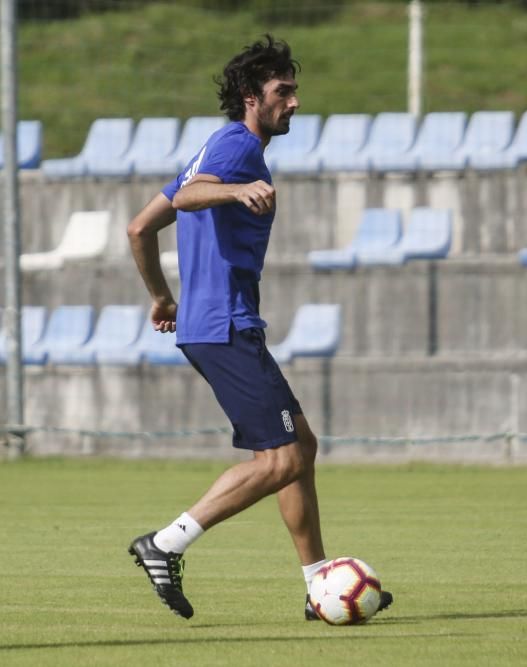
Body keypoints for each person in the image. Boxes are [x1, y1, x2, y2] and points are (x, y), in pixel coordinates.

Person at [124, 35, 390, 621]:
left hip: (215, 324)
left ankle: (319, 579)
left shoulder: (216, 149)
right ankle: (165, 544)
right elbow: (193, 197)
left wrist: (162, 296)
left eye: (294, 91)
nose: (294, 103)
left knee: (301, 448)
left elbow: (140, 228)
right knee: (281, 459)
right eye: (283, 92)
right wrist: (236, 188)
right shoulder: (237, 147)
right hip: (224, 325)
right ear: (251, 97)